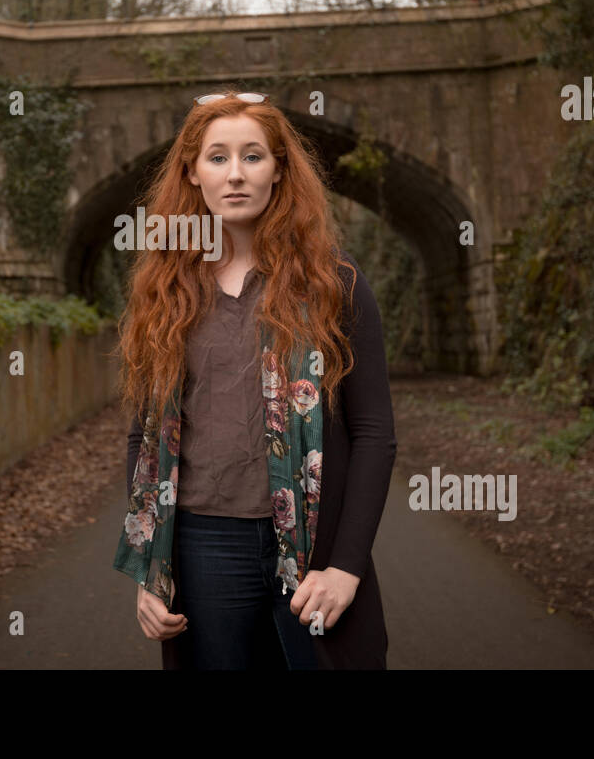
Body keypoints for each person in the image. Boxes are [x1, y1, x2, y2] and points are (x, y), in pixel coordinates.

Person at [111, 90, 398, 669]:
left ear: (279, 170)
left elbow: (373, 434)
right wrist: (152, 569)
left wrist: (346, 567)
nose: (235, 174)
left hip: (315, 548)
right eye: (217, 157)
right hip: (204, 547)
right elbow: (142, 439)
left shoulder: (332, 286)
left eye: (253, 156)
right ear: (192, 173)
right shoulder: (163, 295)